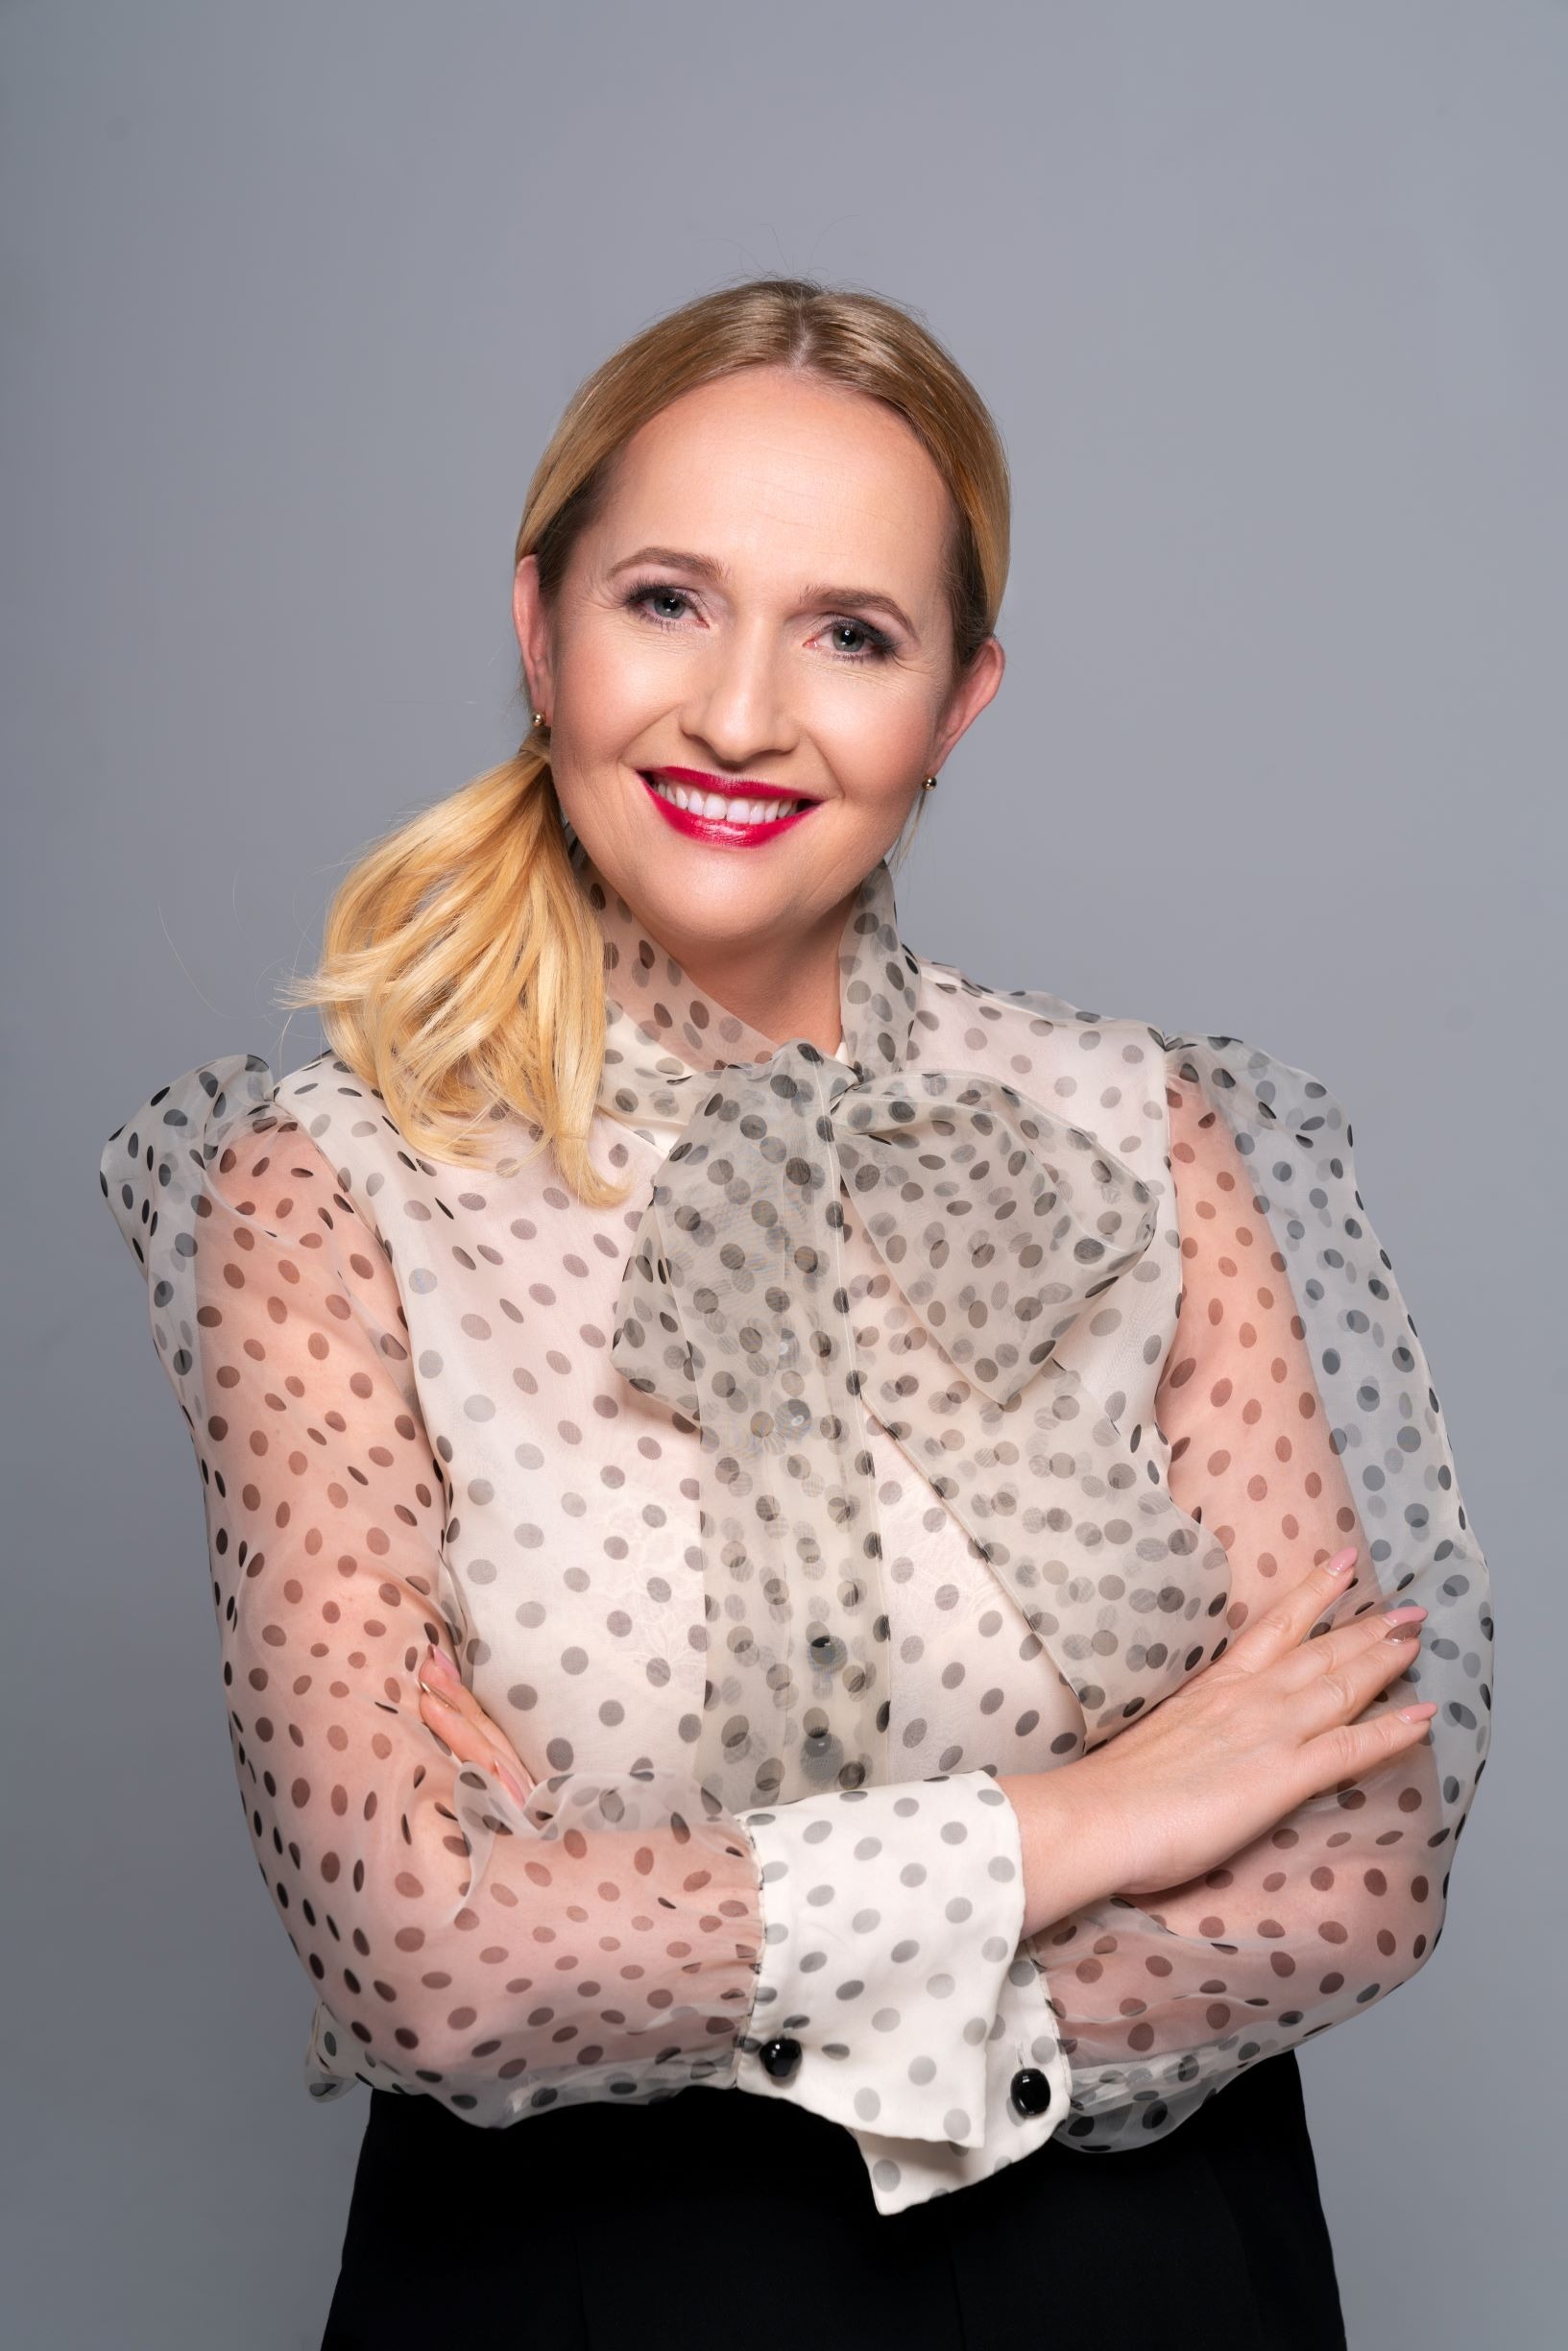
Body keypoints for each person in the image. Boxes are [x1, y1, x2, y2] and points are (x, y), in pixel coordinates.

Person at [98, 278, 1491, 2351]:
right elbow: (421, 1958)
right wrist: (1077, 1825)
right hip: (579, 2292)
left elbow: (1355, 1861)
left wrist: (643, 1930)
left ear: (957, 702)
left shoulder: (1153, 1132)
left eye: (850, 634)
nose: (742, 715)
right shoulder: (328, 1194)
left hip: (1144, 2278)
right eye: (668, 601)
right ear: (539, 626)